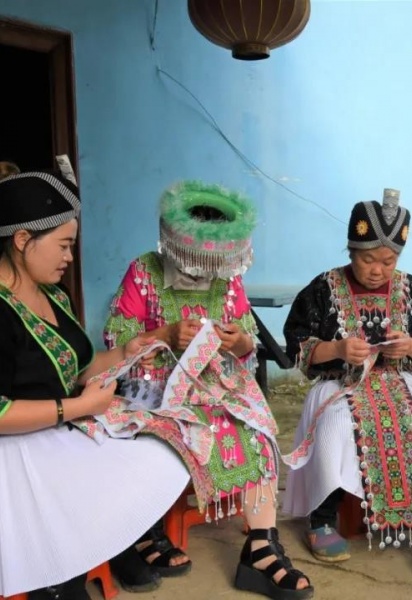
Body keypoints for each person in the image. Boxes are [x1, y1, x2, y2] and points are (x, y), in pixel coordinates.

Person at [0, 164, 189, 600]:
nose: (70, 257)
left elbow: (76, 368)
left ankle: (106, 552)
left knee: (165, 444)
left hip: (52, 436)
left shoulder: (53, 295)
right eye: (64, 245)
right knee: (59, 554)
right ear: (22, 241)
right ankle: (62, 575)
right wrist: (79, 408)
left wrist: (129, 351)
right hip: (4, 459)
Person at [102, 180, 312, 599]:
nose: (205, 275)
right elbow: (116, 339)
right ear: (175, 247)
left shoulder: (227, 279)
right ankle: (146, 528)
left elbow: (248, 339)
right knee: (168, 432)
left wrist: (238, 342)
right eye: (194, 263)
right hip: (153, 389)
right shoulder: (143, 271)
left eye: (212, 267)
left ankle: (261, 546)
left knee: (256, 429)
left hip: (215, 385)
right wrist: (164, 334)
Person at [282, 189, 412, 585]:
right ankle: (322, 519)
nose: (378, 270)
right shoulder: (322, 290)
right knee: (337, 425)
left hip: (398, 380)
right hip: (338, 382)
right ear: (351, 249)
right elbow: (297, 345)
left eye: (388, 260)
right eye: (368, 259)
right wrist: (338, 348)